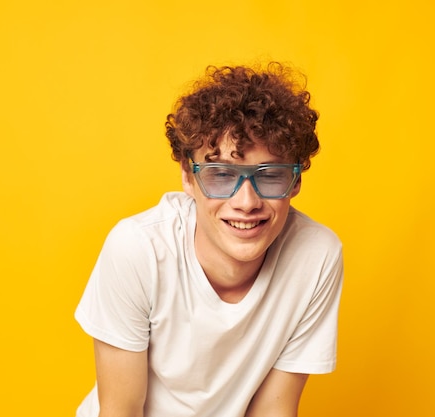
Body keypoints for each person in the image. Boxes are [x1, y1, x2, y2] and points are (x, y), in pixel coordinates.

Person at [75, 62, 344, 417]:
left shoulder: (316, 256)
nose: (246, 203)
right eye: (220, 175)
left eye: (272, 175)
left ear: (295, 182)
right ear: (188, 177)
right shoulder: (139, 249)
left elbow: (273, 411)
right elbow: (121, 410)